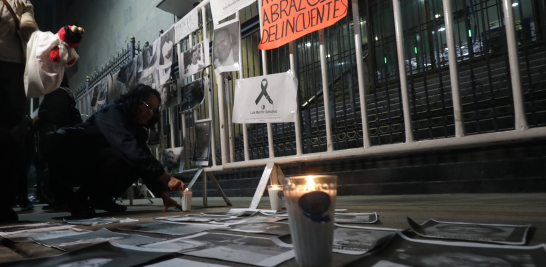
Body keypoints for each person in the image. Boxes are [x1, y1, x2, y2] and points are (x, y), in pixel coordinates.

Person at [47, 84, 185, 218]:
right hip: (68, 161)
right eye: (148, 106)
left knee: (138, 159)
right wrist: (168, 178)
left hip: (93, 163)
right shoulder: (113, 112)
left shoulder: (138, 131)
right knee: (126, 154)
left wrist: (164, 197)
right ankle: (77, 199)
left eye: (154, 110)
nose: (150, 112)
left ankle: (101, 199)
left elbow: (145, 161)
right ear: (135, 100)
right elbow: (126, 147)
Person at [0, 0, 38, 222]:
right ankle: (4, 203)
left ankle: (4, 202)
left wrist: (50, 46)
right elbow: (28, 29)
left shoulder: (19, 1)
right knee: (11, 140)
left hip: (13, 70)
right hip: (12, 72)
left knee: (13, 139)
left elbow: (28, 29)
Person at [33, 75, 82, 210]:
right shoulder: (64, 92)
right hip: (59, 135)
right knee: (57, 170)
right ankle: (59, 200)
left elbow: (52, 113)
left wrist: (40, 117)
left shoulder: (58, 92)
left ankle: (62, 201)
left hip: (55, 136)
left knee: (57, 170)